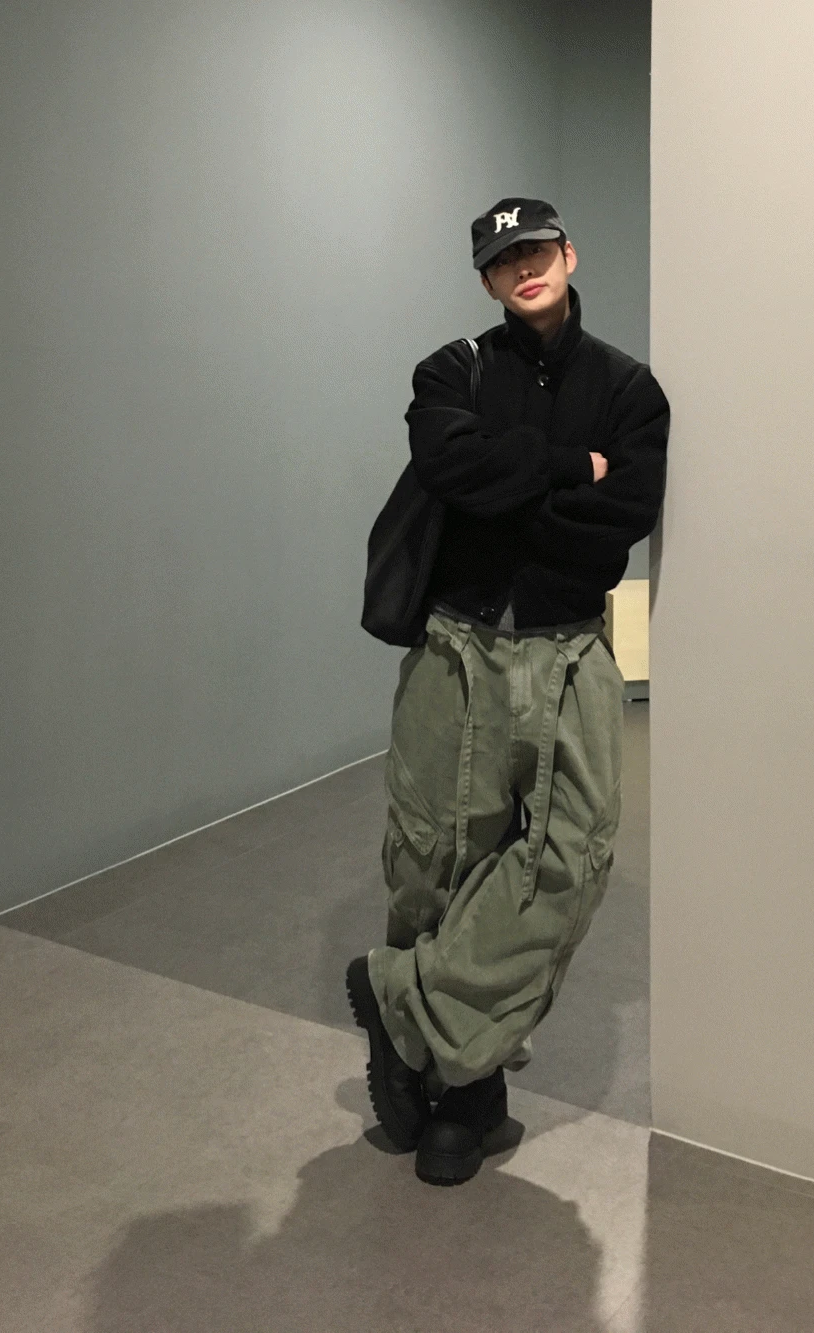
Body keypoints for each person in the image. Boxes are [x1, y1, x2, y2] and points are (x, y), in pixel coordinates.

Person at [347, 197, 670, 1187]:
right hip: (458, 646)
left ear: (569, 254)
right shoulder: (452, 371)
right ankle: (465, 1092)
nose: (524, 267)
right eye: (503, 259)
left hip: (571, 650)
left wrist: (508, 492)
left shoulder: (629, 388)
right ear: (487, 278)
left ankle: (403, 1002)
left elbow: (620, 517)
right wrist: (566, 469)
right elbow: (450, 466)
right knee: (437, 859)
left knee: (571, 857)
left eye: (537, 249)